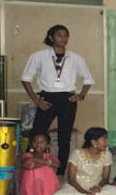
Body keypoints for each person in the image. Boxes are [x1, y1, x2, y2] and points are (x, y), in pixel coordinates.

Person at [21, 24, 94, 173]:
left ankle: (60, 171)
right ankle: (31, 167)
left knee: (64, 137)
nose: (63, 38)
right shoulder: (39, 56)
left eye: (66, 35)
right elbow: (26, 79)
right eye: (59, 35)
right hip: (47, 98)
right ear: (51, 37)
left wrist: (80, 95)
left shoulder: (75, 58)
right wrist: (36, 100)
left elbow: (88, 79)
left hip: (68, 99)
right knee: (37, 133)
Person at [18, 131, 60, 195]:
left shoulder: (50, 156)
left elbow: (56, 164)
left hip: (46, 184)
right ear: (30, 144)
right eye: (35, 142)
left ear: (48, 145)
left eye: (42, 142)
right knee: (32, 171)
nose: (38, 144)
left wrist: (34, 161)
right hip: (30, 184)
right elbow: (26, 165)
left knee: (46, 170)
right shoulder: (27, 156)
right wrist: (44, 162)